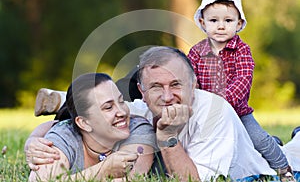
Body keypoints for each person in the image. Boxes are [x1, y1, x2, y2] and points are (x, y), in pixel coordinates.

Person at [26, 46, 300, 182]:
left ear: (194, 84)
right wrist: (34, 140)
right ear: (142, 93)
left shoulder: (215, 113)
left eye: (176, 85)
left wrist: (168, 137)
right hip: (229, 147)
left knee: (293, 155)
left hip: (258, 173)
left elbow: (190, 180)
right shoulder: (140, 110)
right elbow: (77, 122)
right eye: (156, 87)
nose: (167, 96)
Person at [186, 0, 294, 180]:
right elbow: (190, 81)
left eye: (228, 20)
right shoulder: (196, 52)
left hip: (238, 111)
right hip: (207, 114)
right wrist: (198, 103)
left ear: (238, 23)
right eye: (213, 20)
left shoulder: (241, 50)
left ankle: (283, 168)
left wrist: (221, 103)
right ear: (203, 23)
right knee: (209, 144)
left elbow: (242, 80)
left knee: (259, 139)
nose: (220, 26)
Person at [26, 73, 156, 181]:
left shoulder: (139, 129)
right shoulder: (65, 135)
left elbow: (131, 178)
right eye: (108, 107)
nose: (122, 112)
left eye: (121, 101)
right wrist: (102, 170)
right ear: (84, 123)